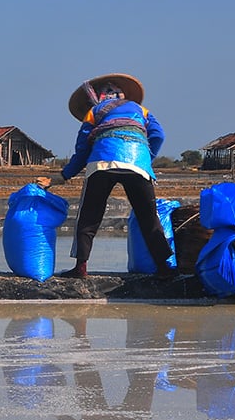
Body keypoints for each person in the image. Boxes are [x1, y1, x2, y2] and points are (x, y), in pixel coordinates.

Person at [38, 73, 175, 279]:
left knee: (89, 216)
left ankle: (81, 267)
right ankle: (164, 268)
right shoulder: (142, 110)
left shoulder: (93, 112)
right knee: (149, 217)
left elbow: (82, 150)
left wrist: (62, 176)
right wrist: (145, 159)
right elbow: (159, 135)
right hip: (137, 163)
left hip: (101, 162)